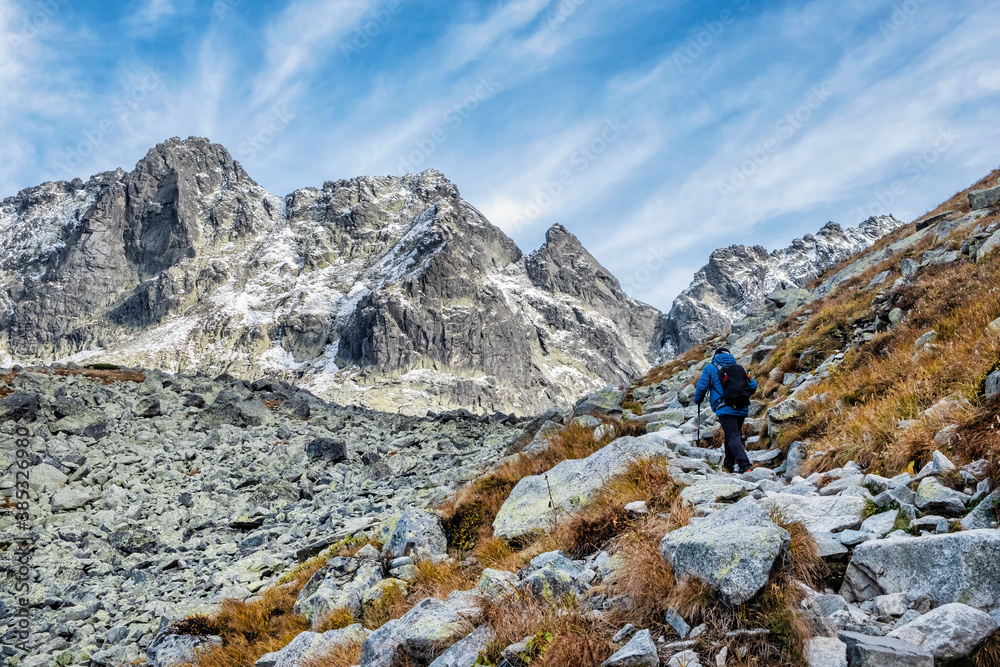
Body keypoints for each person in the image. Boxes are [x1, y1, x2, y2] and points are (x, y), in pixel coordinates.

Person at [692, 347, 757, 474]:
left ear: (715, 356)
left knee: (732, 435)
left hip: (725, 407)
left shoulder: (710, 368)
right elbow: (753, 386)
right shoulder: (739, 368)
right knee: (731, 435)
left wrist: (697, 399)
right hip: (741, 407)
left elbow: (701, 387)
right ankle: (728, 466)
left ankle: (745, 466)